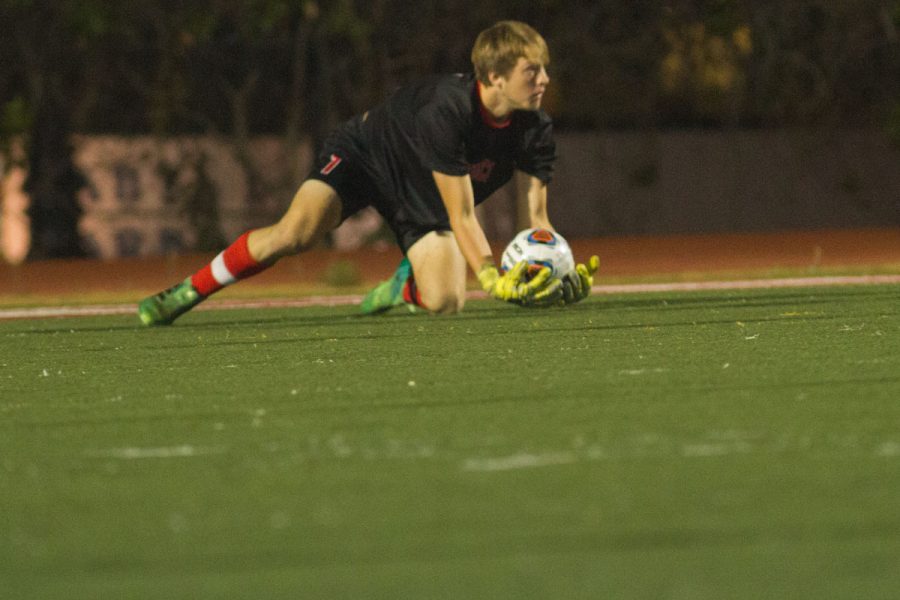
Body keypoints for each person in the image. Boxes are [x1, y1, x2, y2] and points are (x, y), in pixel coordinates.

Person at [138, 20, 599, 326]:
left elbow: (536, 216)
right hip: (369, 154)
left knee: (447, 301)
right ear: (494, 76)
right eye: (531, 71)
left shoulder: (535, 128)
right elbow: (461, 217)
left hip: (424, 188)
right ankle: (187, 291)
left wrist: (559, 265)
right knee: (293, 233)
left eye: (544, 70)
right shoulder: (447, 111)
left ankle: (403, 286)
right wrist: (489, 272)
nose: (544, 81)